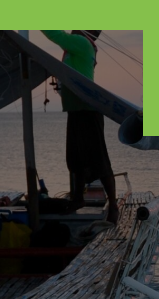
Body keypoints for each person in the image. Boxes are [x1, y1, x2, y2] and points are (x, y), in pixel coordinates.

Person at [41, 30, 119, 224]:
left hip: (87, 110)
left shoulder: (82, 43)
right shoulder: (77, 47)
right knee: (75, 158)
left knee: (99, 160)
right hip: (75, 109)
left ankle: (113, 205)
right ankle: (77, 198)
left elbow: (56, 35)